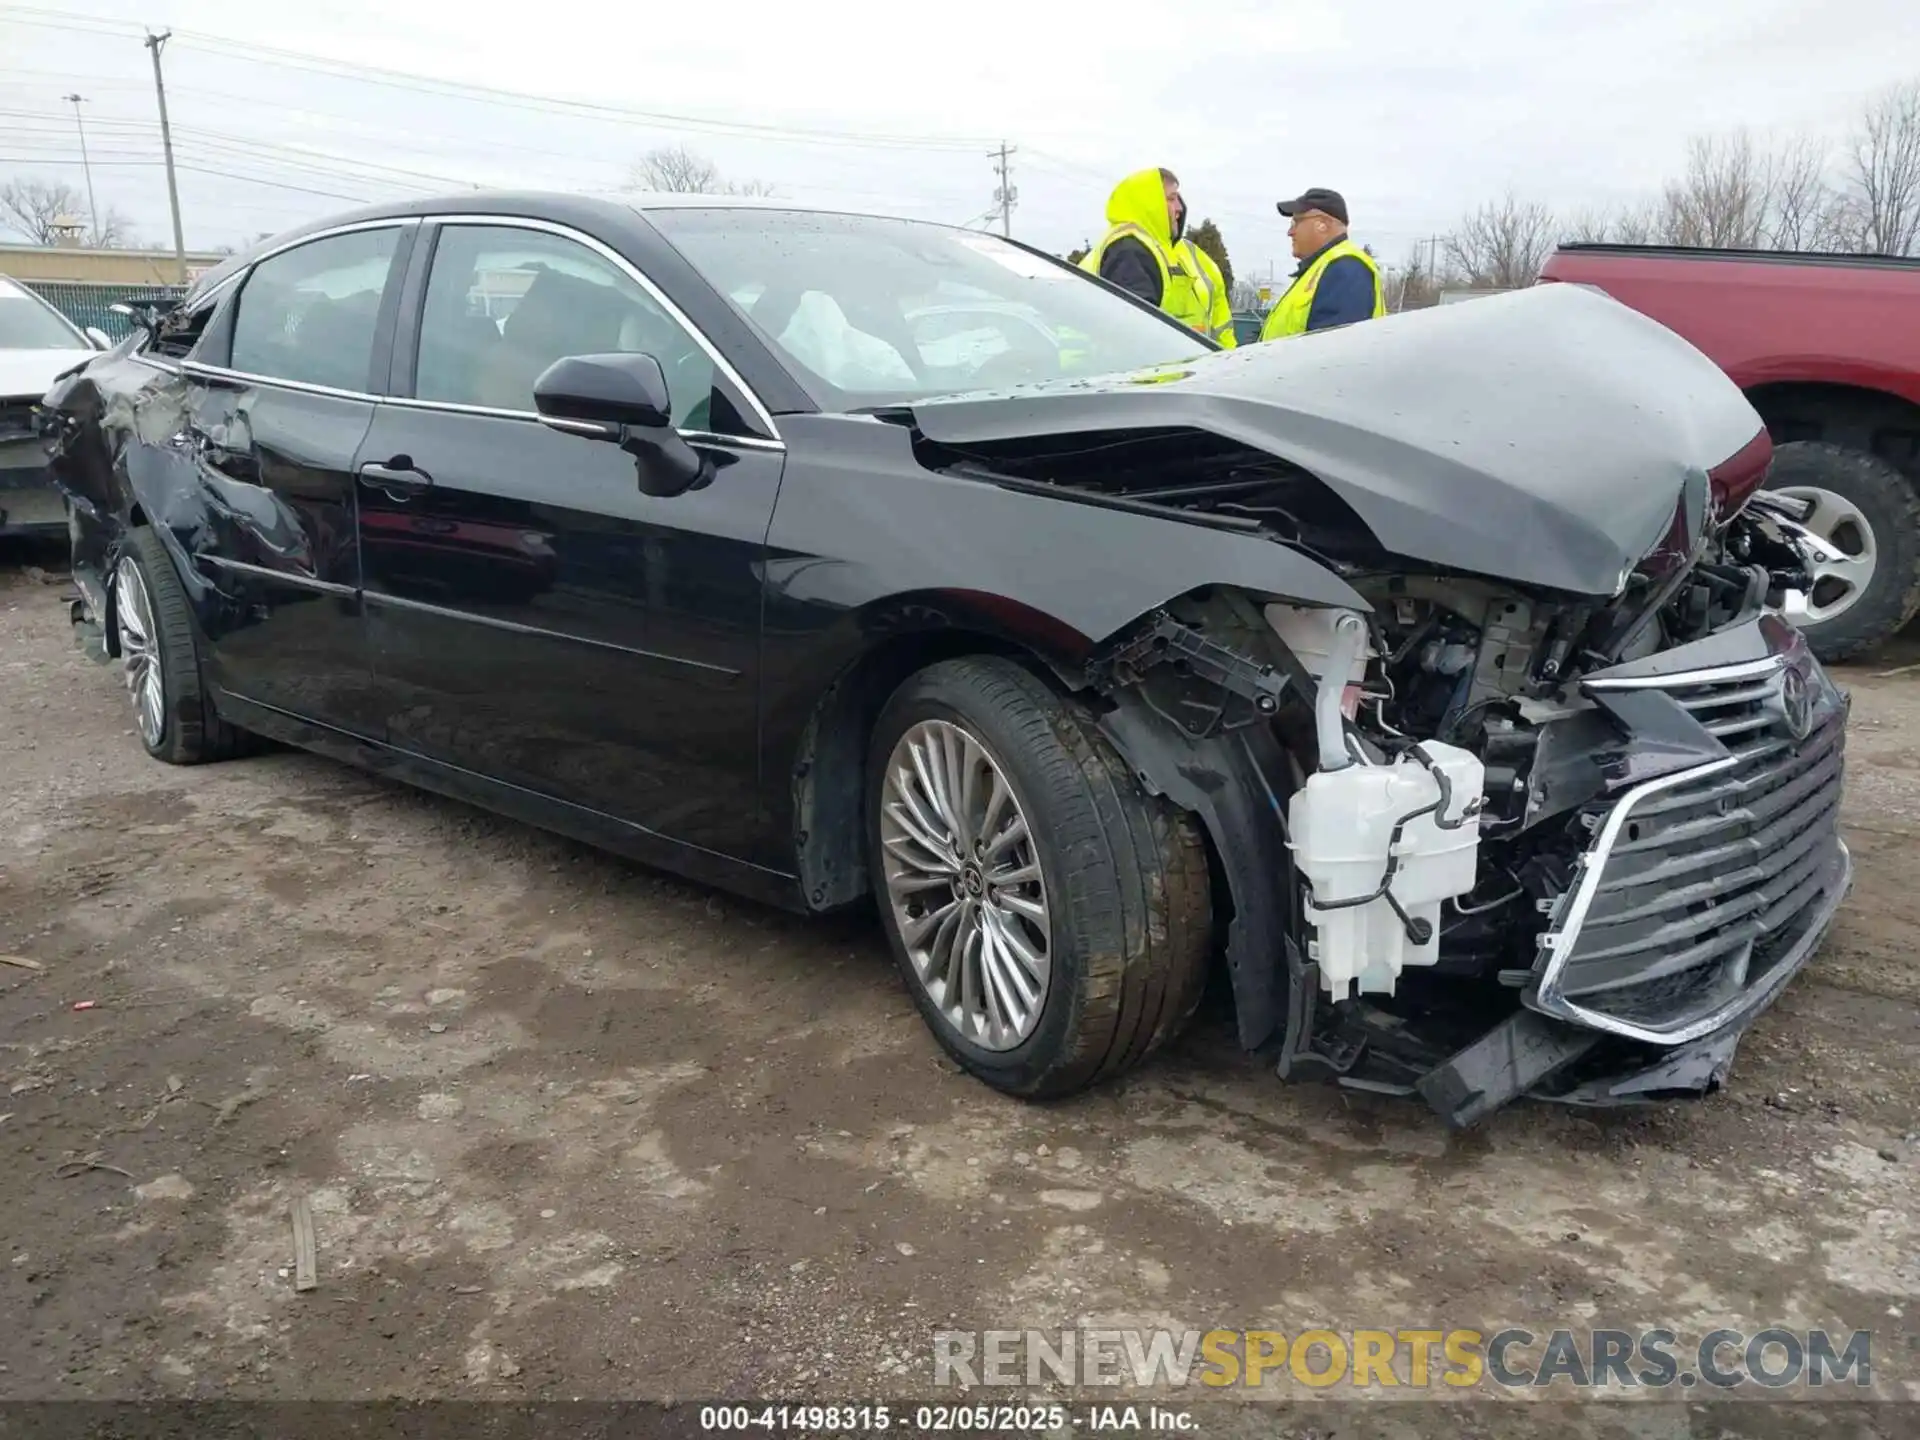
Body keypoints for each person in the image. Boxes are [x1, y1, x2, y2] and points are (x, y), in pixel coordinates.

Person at [1078, 168, 1214, 338]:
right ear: (1151, 204)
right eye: (1171, 199)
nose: (1179, 208)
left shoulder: (1144, 248)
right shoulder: (1129, 252)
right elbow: (1135, 337)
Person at [1258, 187, 1386, 341]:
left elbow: (1333, 356)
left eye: (1296, 222)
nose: (1290, 232)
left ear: (1322, 224)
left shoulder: (1346, 270)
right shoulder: (1320, 270)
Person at [1171, 194, 1237, 348]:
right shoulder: (1135, 251)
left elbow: (1222, 325)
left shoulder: (1196, 257)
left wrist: (1230, 361)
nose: (1178, 208)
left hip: (1205, 363)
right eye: (1170, 199)